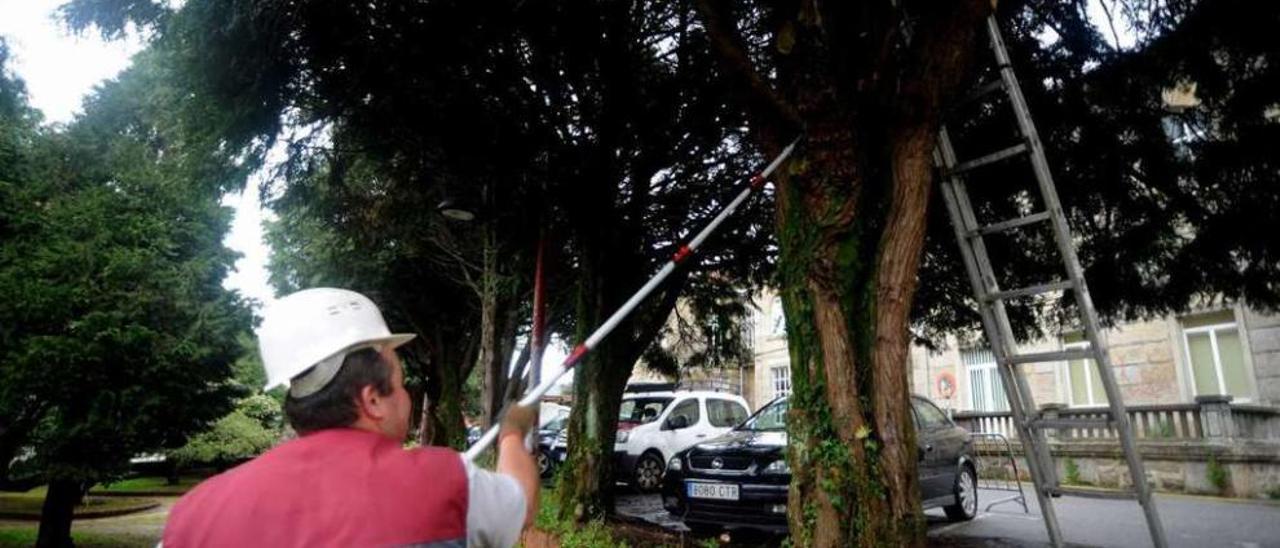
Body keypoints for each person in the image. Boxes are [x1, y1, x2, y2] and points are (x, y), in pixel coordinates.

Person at [162, 288, 539, 547]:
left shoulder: (192, 516)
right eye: (402, 383)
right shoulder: (449, 482)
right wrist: (511, 432)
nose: (408, 398)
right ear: (373, 400)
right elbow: (521, 502)